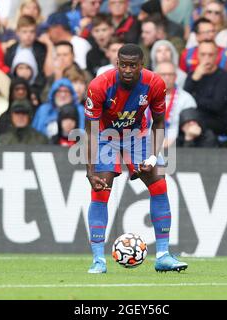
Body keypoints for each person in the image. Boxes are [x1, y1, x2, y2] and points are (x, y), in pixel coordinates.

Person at [84, 43, 188, 273]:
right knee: (100, 190)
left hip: (137, 135)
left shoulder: (155, 83)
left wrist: (152, 156)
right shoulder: (99, 85)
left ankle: (162, 255)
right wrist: (90, 171)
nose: (128, 70)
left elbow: (159, 122)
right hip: (104, 135)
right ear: (117, 64)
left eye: (133, 65)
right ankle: (98, 260)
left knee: (159, 184)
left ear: (141, 65)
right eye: (123, 65)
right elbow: (90, 129)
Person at [184, 40, 227, 136]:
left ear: (216, 56)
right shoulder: (192, 75)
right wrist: (194, 79)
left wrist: (194, 98)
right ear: (197, 55)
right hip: (193, 118)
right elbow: (183, 101)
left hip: (216, 122)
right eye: (203, 54)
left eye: (210, 55)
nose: (206, 58)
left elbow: (217, 106)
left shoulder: (224, 76)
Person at [154, 61, 197, 148]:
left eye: (170, 74)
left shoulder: (186, 99)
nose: (167, 77)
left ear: (176, 77)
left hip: (177, 148)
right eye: (163, 74)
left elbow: (191, 129)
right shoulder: (144, 97)